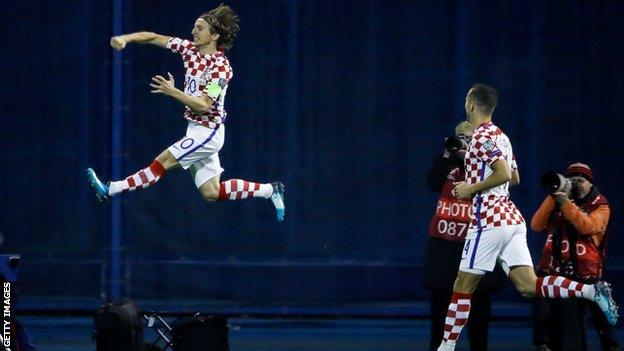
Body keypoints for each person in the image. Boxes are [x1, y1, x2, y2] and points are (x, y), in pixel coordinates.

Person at [436, 84, 618, 351]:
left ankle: (445, 348)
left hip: (489, 220)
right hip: (511, 218)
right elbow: (516, 177)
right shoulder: (502, 137)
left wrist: (470, 187)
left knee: (462, 285)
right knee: (529, 286)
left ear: (471, 104)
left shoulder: (481, 137)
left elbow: (503, 174)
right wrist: (472, 162)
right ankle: (592, 291)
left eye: (466, 100)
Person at [86, 4, 285, 221]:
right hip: (195, 129)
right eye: (194, 27)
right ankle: (270, 190)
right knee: (211, 193)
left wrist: (173, 92)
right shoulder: (188, 49)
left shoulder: (221, 69)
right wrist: (126, 38)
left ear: (214, 35)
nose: (193, 32)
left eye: (200, 28)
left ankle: (110, 189)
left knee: (161, 163)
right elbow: (153, 37)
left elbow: (204, 105)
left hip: (208, 133)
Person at [423, 121, 506, 351]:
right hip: (445, 248)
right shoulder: (447, 163)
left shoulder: (490, 166)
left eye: (468, 138)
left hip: (477, 246)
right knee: (440, 311)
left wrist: (471, 156)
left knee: (478, 313)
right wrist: (447, 154)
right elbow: (432, 182)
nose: (462, 142)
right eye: (459, 137)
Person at [532, 163, 619, 351]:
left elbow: (587, 227)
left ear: (590, 184)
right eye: (571, 180)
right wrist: (553, 196)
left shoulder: (601, 206)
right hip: (554, 268)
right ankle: (543, 344)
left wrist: (566, 204)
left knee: (598, 319)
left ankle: (611, 345)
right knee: (542, 304)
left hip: (585, 272)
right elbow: (536, 225)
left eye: (579, 180)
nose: (575, 184)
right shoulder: (559, 200)